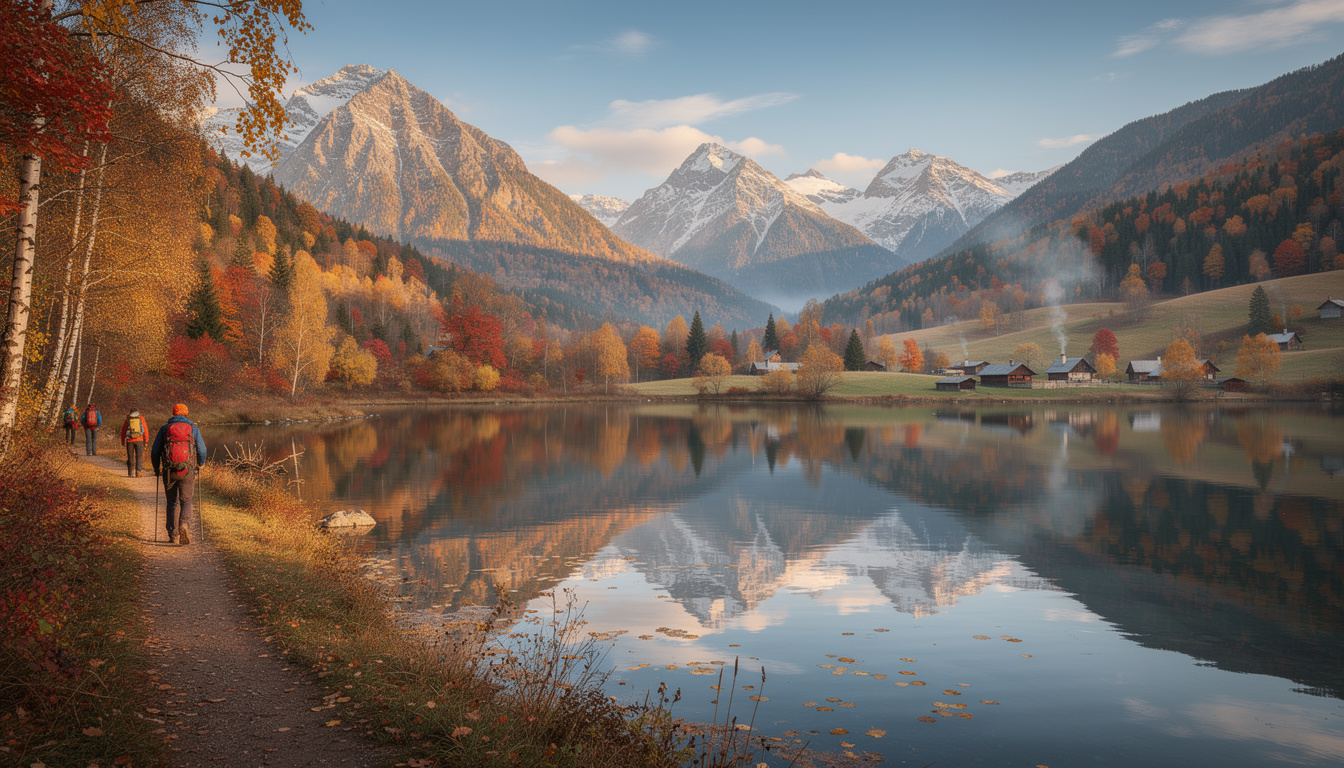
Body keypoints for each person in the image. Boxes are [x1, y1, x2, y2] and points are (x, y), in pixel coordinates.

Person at [150, 403, 206, 545]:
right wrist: (200, 464)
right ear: (186, 414)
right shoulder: (193, 428)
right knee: (186, 500)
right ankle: (184, 525)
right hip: (187, 470)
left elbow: (155, 451)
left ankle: (173, 534)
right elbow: (202, 450)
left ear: (173, 414)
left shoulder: (164, 429)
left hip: (169, 470)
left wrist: (156, 468)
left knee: (171, 502)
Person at [120, 408, 149, 478]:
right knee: (139, 456)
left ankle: (130, 472)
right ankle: (138, 472)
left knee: (130, 457)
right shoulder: (141, 418)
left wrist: (123, 441)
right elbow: (145, 430)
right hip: (139, 440)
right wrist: (146, 441)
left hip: (129, 441)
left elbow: (123, 431)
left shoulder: (128, 419)